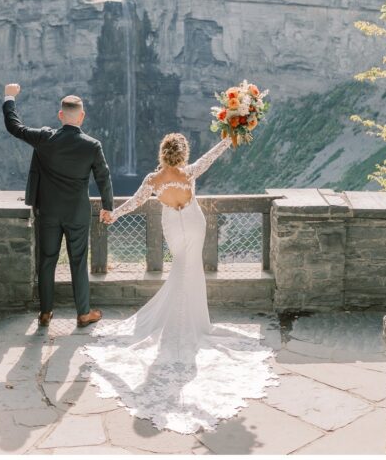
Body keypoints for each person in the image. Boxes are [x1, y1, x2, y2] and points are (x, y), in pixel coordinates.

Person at [81, 132, 278, 434]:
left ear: (162, 153)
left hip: (172, 224)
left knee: (181, 271)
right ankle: (194, 324)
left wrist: (114, 215)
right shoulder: (190, 172)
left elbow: (134, 203)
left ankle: (179, 323)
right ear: (183, 154)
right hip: (194, 223)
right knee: (190, 271)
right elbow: (211, 157)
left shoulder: (152, 179)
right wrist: (230, 137)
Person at [2, 83, 113, 328]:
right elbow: (103, 177)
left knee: (47, 260)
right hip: (77, 213)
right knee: (78, 261)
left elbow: (14, 126)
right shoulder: (92, 145)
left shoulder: (44, 138)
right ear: (82, 116)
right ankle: (83, 314)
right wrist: (107, 207)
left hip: (49, 211)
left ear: (60, 115)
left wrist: (9, 96)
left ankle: (45, 313)